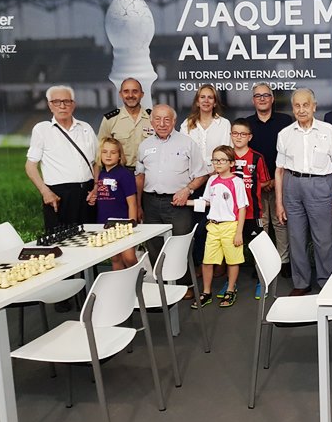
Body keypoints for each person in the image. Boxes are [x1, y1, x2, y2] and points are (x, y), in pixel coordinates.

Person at [275, 88, 332, 296]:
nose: (301, 109)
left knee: (324, 238)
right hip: (292, 185)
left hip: (320, 186)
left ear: (314, 107)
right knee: (296, 237)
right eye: (297, 106)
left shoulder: (328, 131)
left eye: (306, 105)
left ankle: (326, 281)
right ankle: (301, 282)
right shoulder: (285, 134)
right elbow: (279, 170)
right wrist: (279, 202)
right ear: (292, 108)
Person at [136, 104, 208, 266]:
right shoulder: (144, 145)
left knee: (180, 245)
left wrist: (187, 190)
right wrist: (139, 205)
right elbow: (140, 176)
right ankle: (160, 278)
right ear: (151, 122)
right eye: (158, 119)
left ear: (174, 121)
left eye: (167, 120)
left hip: (178, 203)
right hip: (150, 203)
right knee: (153, 244)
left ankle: (183, 281)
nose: (162, 124)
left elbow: (202, 174)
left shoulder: (187, 143)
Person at [26, 85, 97, 230]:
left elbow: (96, 162)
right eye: (57, 102)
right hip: (58, 195)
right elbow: (30, 166)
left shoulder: (86, 128)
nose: (62, 106)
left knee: (92, 236)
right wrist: (45, 192)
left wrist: (96, 188)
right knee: (60, 239)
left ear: (73, 104)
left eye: (67, 101)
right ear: (50, 105)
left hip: (88, 193)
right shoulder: (42, 129)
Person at [180, 84, 232, 277]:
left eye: (210, 97)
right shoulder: (187, 125)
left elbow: (227, 152)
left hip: (217, 181)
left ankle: (220, 263)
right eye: (202, 97)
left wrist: (214, 172)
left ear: (215, 102)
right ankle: (201, 263)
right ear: (197, 101)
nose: (206, 101)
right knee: (198, 226)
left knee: (218, 223)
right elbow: (181, 153)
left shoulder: (223, 124)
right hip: (194, 183)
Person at [189, 145, 248, 309]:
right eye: (215, 160)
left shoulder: (237, 182)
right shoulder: (212, 180)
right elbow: (207, 202)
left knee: (232, 261)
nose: (218, 163)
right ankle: (206, 292)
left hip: (230, 227)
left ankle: (230, 289)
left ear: (231, 163)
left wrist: (239, 232)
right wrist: (186, 202)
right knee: (207, 261)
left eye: (222, 160)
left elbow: (242, 208)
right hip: (213, 227)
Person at [246, 83, 293, 277]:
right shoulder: (247, 124)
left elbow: (290, 152)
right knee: (261, 224)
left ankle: (284, 262)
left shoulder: (285, 121)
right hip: (256, 185)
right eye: (258, 96)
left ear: (272, 99)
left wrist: (274, 180)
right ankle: (261, 263)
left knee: (280, 223)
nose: (262, 99)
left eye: (266, 95)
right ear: (253, 100)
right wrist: (262, 182)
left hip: (281, 181)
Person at [228, 118, 271, 299]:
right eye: (235, 133)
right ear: (231, 135)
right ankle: (231, 284)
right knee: (231, 250)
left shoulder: (257, 157)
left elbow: (266, 181)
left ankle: (262, 281)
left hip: (253, 213)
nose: (238, 137)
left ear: (249, 137)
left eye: (243, 134)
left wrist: (251, 187)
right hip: (230, 215)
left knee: (257, 249)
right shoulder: (226, 156)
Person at [95, 137, 137, 270]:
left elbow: (132, 203)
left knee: (129, 257)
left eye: (113, 152)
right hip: (105, 223)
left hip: (123, 223)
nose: (108, 155)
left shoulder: (125, 174)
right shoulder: (101, 174)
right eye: (105, 152)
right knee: (115, 257)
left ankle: (139, 277)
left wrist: (132, 224)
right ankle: (119, 281)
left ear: (119, 156)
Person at [97, 78, 153, 171]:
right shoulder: (110, 119)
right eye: (126, 91)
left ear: (142, 94)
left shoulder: (153, 118)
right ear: (120, 94)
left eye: (135, 91)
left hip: (148, 172)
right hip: (120, 173)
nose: (130, 95)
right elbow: (100, 150)